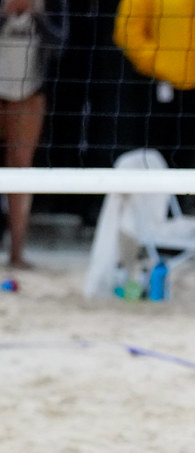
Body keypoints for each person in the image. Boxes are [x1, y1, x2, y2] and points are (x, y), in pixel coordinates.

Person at [112, 0, 195, 171]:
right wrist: (159, 63)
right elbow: (127, 30)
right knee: (150, 156)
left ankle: (177, 197)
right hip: (155, 85)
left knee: (185, 156)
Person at [0, 0, 67, 268]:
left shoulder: (52, 3)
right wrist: (5, 14)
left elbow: (60, 44)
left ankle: (17, 252)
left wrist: (37, 15)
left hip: (29, 92)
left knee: (20, 169)